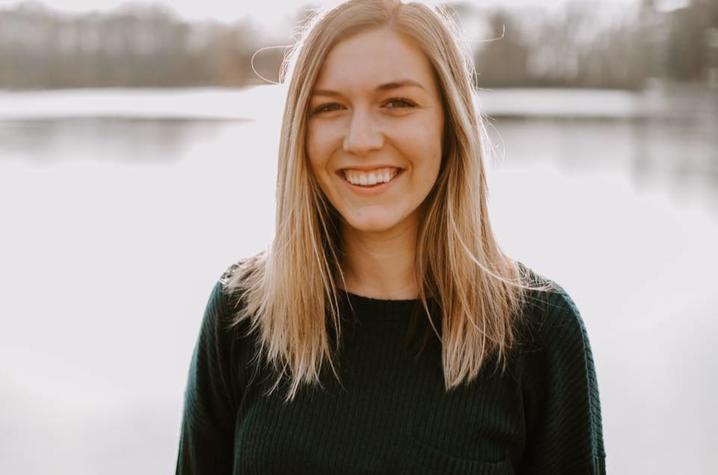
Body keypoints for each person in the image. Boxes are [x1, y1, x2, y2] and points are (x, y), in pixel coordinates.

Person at [175, 0, 606, 473]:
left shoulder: (538, 333)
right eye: (330, 107)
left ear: (449, 123)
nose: (360, 139)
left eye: (397, 103)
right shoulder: (241, 314)